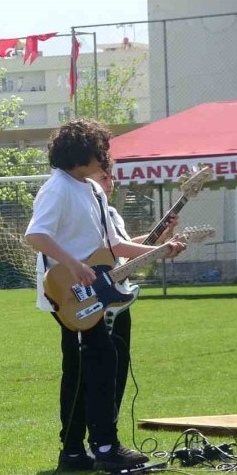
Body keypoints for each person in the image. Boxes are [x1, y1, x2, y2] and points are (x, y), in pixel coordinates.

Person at [24, 119, 185, 472]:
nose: (105, 158)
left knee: (85, 367)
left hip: (94, 287)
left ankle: (75, 452)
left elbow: (114, 246)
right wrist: (74, 264)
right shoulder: (58, 189)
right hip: (69, 291)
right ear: (82, 155)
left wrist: (160, 248)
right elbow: (36, 235)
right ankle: (105, 446)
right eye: (100, 151)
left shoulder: (92, 190)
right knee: (99, 360)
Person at [88, 162, 177, 428]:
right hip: (94, 297)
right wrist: (161, 246)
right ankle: (92, 436)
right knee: (95, 369)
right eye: (103, 177)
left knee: (119, 366)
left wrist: (161, 236)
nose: (110, 182)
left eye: (112, 177)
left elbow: (123, 249)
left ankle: (109, 430)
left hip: (119, 297)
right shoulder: (88, 212)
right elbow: (112, 249)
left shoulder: (112, 213)